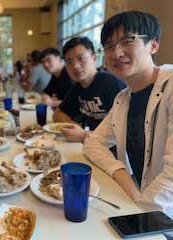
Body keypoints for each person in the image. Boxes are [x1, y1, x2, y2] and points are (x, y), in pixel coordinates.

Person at [83, 11, 173, 223]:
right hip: (138, 204)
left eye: (127, 41)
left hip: (161, 218)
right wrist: (125, 180)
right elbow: (93, 144)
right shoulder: (123, 98)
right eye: (109, 46)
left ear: (153, 45)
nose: (116, 53)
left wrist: (140, 206)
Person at [53, 37, 126, 142]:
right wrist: (75, 126)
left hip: (114, 151)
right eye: (69, 62)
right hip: (93, 145)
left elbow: (124, 132)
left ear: (94, 58)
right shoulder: (78, 87)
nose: (75, 66)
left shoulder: (112, 84)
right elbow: (58, 114)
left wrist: (84, 135)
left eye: (81, 58)